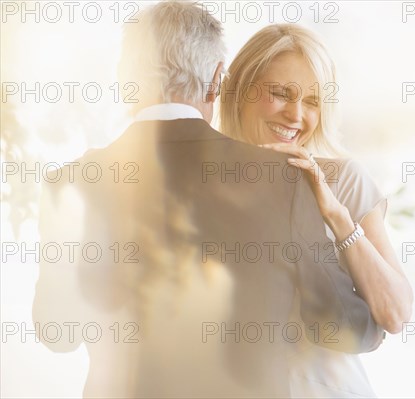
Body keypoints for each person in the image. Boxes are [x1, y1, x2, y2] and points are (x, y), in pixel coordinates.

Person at [32, 2, 384, 398]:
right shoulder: (281, 179)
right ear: (218, 79)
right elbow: (343, 327)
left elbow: (55, 331)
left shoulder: (70, 182)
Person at [220, 24, 414, 398]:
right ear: (240, 90)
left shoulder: (343, 180)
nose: (296, 115)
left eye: (312, 102)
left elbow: (395, 313)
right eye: (280, 94)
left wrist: (338, 218)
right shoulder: (205, 179)